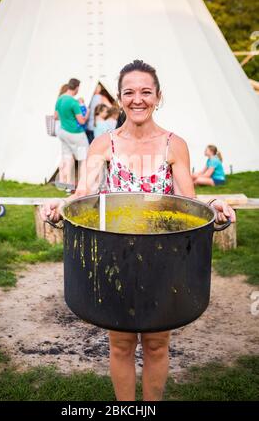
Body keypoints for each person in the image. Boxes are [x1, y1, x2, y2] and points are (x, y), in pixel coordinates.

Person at [41, 60, 236, 401]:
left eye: (146, 91)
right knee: (121, 343)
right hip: (117, 256)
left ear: (158, 96)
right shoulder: (103, 145)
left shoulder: (175, 145)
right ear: (119, 98)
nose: (138, 99)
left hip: (165, 256)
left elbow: (188, 200)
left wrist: (215, 205)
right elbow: (83, 192)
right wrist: (61, 207)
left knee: (158, 344)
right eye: (129, 92)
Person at [55, 78, 90, 187]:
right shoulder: (73, 102)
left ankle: (67, 183)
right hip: (76, 133)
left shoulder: (60, 99)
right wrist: (87, 112)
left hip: (63, 132)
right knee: (83, 159)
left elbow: (56, 116)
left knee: (67, 157)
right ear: (77, 88)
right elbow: (82, 120)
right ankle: (83, 184)